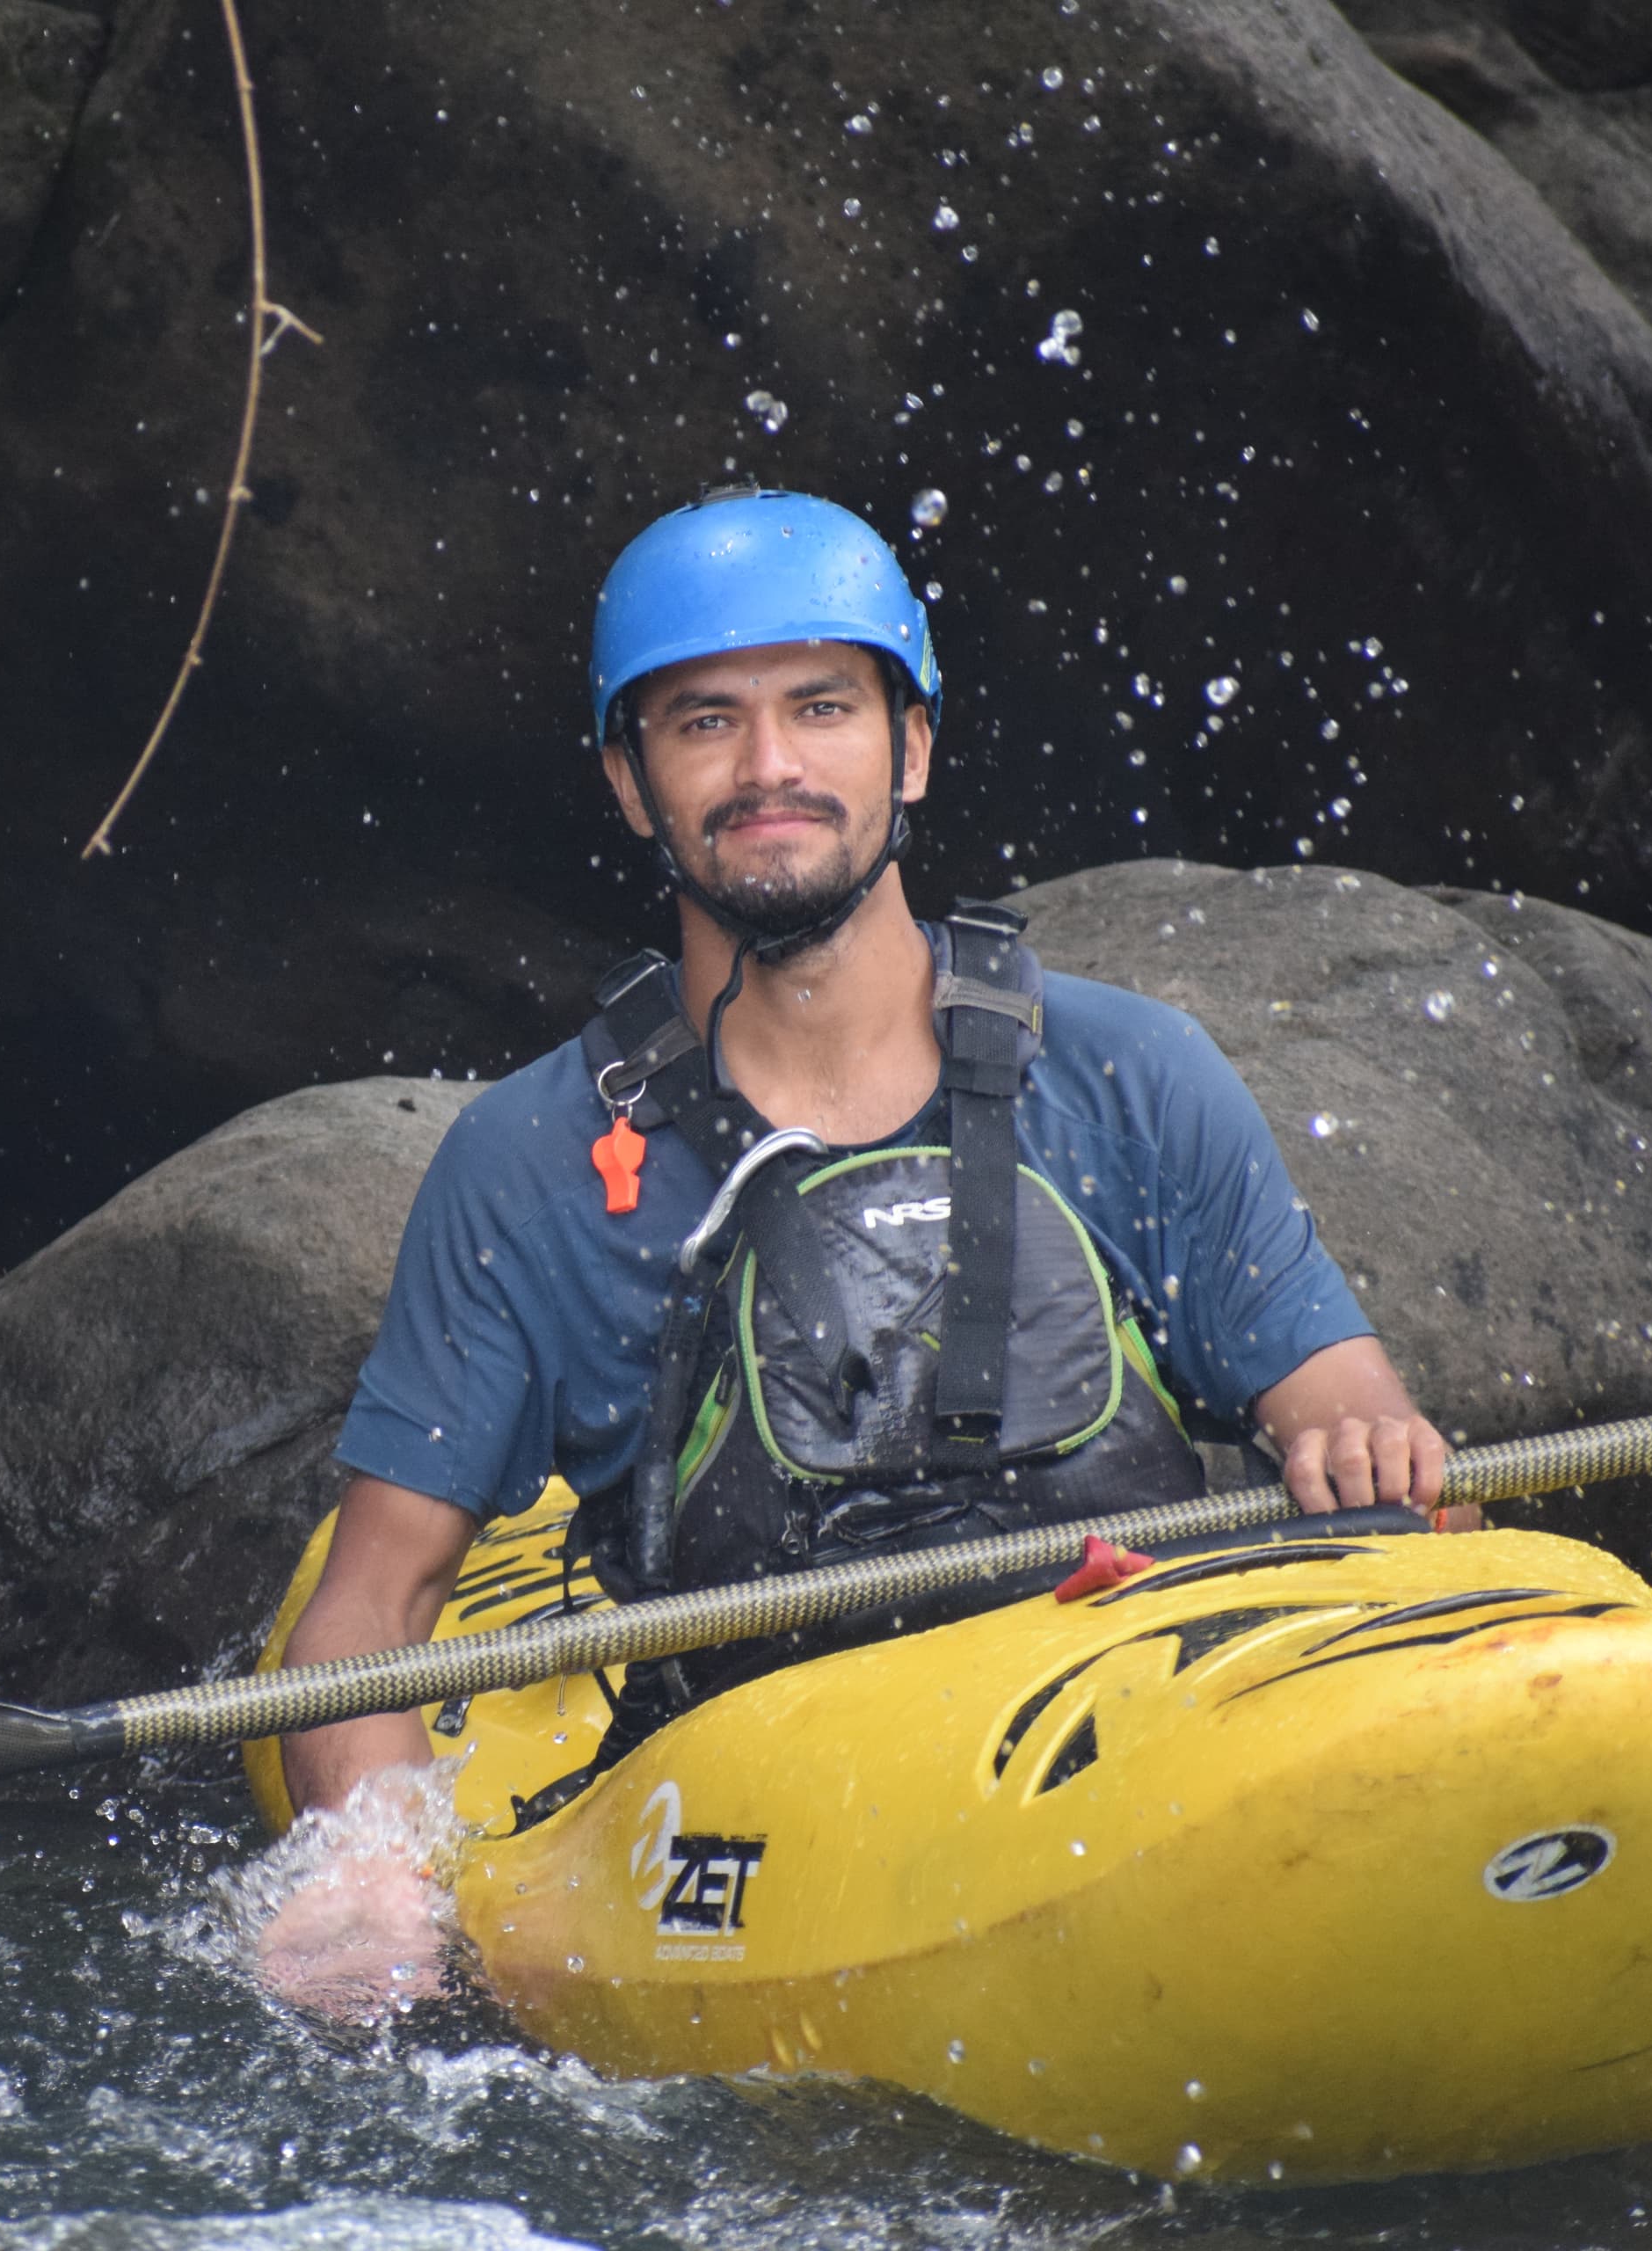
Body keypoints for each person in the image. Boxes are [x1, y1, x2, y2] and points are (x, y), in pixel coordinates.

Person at [255, 488, 1458, 2011]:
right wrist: (368, 1863)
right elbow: (365, 1622)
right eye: (706, 724)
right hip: (785, 1801)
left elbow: (1347, 1406)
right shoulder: (529, 1166)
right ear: (632, 783)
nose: (772, 769)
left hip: (1146, 1713)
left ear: (915, 745)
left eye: (823, 707)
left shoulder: (1132, 1074)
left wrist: (1371, 1451)